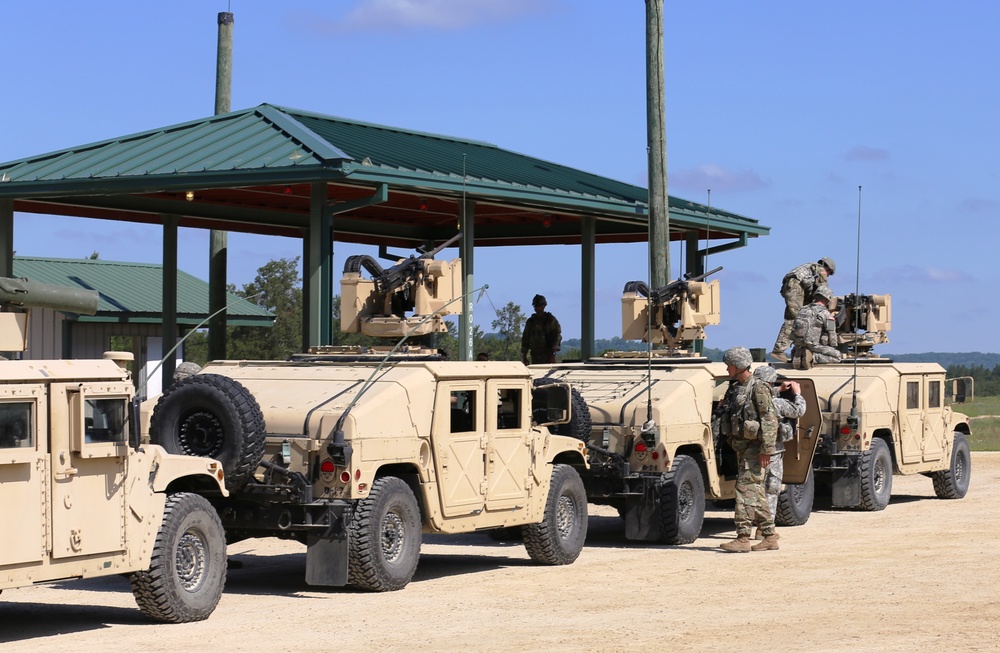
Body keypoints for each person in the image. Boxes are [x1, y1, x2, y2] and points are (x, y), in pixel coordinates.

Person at [718, 347, 780, 552]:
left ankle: (743, 537)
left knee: (744, 489)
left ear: (737, 366)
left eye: (729, 366)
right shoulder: (735, 388)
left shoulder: (758, 388)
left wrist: (767, 450)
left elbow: (770, 420)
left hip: (755, 448)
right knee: (755, 491)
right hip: (741, 447)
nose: (727, 370)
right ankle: (769, 535)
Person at [752, 365, 807, 536]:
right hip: (772, 451)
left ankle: (748, 527)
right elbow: (799, 410)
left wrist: (777, 389)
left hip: (750, 449)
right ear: (770, 382)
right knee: (772, 488)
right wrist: (797, 393)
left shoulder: (747, 400)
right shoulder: (778, 403)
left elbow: (763, 397)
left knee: (754, 488)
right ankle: (765, 529)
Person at [771, 257, 836, 362]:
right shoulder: (821, 270)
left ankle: (785, 348)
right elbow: (822, 290)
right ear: (827, 268)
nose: (828, 275)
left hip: (790, 286)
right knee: (795, 320)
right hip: (795, 287)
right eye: (830, 273)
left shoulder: (810, 268)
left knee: (795, 317)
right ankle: (779, 350)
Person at [791, 285, 842, 369]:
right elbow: (832, 335)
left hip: (798, 345)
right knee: (837, 356)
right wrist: (833, 346)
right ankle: (812, 357)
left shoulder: (802, 309)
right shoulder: (825, 313)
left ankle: (798, 355)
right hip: (814, 346)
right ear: (827, 299)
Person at [521, 294, 561, 365]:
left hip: (548, 355)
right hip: (535, 354)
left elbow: (557, 336)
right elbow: (525, 339)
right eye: (535, 306)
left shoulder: (550, 320)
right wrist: (524, 356)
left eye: (539, 306)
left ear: (544, 306)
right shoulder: (531, 321)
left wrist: (553, 354)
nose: (537, 308)